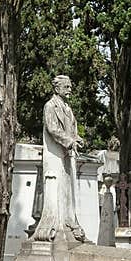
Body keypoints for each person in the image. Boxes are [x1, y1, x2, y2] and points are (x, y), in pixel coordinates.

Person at [32, 75, 86, 243]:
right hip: (55, 156)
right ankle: (57, 224)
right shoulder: (50, 106)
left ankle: (69, 221)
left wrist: (77, 138)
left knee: (68, 192)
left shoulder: (67, 108)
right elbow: (52, 128)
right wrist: (69, 141)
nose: (70, 90)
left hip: (68, 155)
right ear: (57, 88)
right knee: (58, 191)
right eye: (67, 87)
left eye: (70, 86)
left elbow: (71, 129)